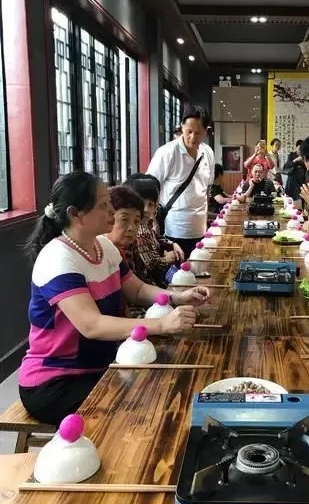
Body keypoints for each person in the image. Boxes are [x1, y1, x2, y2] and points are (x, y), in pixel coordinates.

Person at [19, 171, 209, 425]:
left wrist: (178, 296)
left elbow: (138, 290)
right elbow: (92, 325)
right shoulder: (58, 258)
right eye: (103, 205)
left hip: (100, 365)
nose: (111, 210)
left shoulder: (104, 247)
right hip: (57, 381)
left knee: (166, 389)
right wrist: (162, 324)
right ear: (75, 214)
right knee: (148, 408)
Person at [147, 105, 215, 259]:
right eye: (189, 131)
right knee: (178, 270)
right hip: (174, 229)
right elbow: (149, 188)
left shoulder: (207, 153)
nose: (193, 137)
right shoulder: (167, 153)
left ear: (206, 131)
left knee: (199, 267)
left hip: (200, 229)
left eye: (198, 133)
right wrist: (153, 221)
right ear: (182, 127)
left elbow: (207, 188)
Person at [123, 173, 184, 287]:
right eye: (141, 203)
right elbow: (153, 265)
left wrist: (172, 244)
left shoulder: (145, 224)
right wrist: (168, 258)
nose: (146, 209)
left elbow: (155, 236)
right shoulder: (140, 230)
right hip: (146, 285)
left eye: (150, 204)